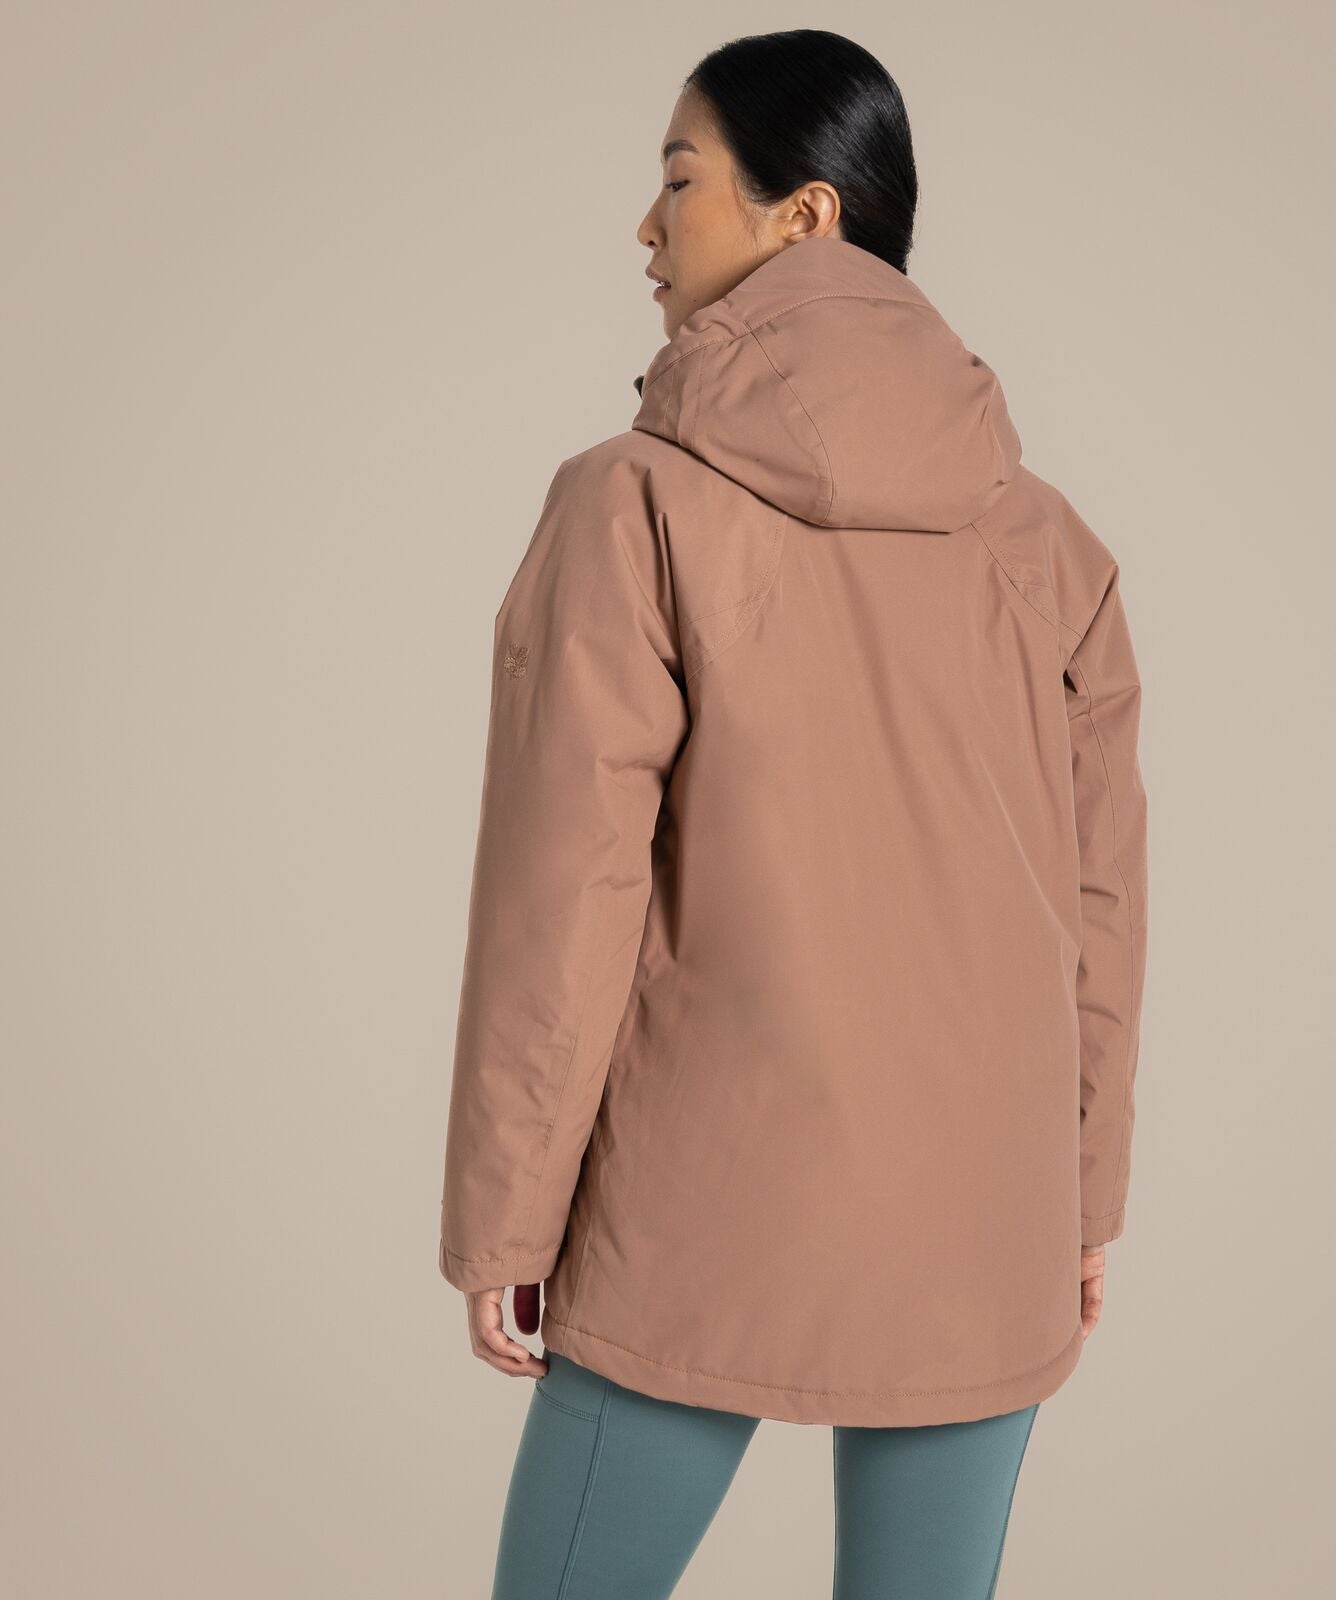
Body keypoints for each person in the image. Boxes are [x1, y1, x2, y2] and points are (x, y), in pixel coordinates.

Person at [437, 28, 1149, 1600]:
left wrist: (507, 1218)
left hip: (697, 1209)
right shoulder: (1050, 543)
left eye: (680, 180)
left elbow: (569, 893)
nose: (647, 225)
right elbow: (1099, 905)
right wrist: (1082, 1199)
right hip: (987, 1215)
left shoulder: (629, 504)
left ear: (804, 216)